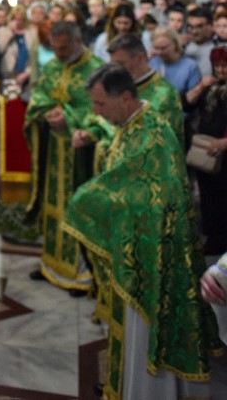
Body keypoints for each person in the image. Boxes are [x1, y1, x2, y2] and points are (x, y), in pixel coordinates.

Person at [66, 64, 221, 399]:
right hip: (131, 247)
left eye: (100, 104)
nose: (96, 112)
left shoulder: (152, 135)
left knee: (143, 335)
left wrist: (85, 201)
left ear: (125, 97)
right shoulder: (130, 124)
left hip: (153, 258)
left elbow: (145, 194)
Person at [25, 21, 103, 294]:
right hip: (52, 151)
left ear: (78, 41)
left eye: (64, 48)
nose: (58, 54)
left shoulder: (95, 69)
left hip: (81, 152)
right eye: (55, 49)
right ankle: (51, 265)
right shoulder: (53, 66)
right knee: (52, 205)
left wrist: (68, 118)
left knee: (76, 206)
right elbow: (40, 95)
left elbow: (100, 111)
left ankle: (80, 273)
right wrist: (47, 113)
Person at [185, 46, 227, 254]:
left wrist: (224, 143)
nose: (221, 70)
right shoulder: (210, 86)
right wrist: (201, 86)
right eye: (218, 66)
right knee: (210, 197)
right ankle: (215, 237)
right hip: (207, 150)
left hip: (223, 149)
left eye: (224, 66)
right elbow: (188, 104)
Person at [148, 26, 201, 95]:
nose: (159, 52)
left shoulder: (190, 66)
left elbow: (193, 97)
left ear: (175, 44)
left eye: (163, 48)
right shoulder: (152, 63)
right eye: (156, 48)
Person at [185, 7, 216, 77]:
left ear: (211, 26)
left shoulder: (220, 48)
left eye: (199, 27)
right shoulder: (182, 47)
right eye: (191, 27)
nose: (194, 31)